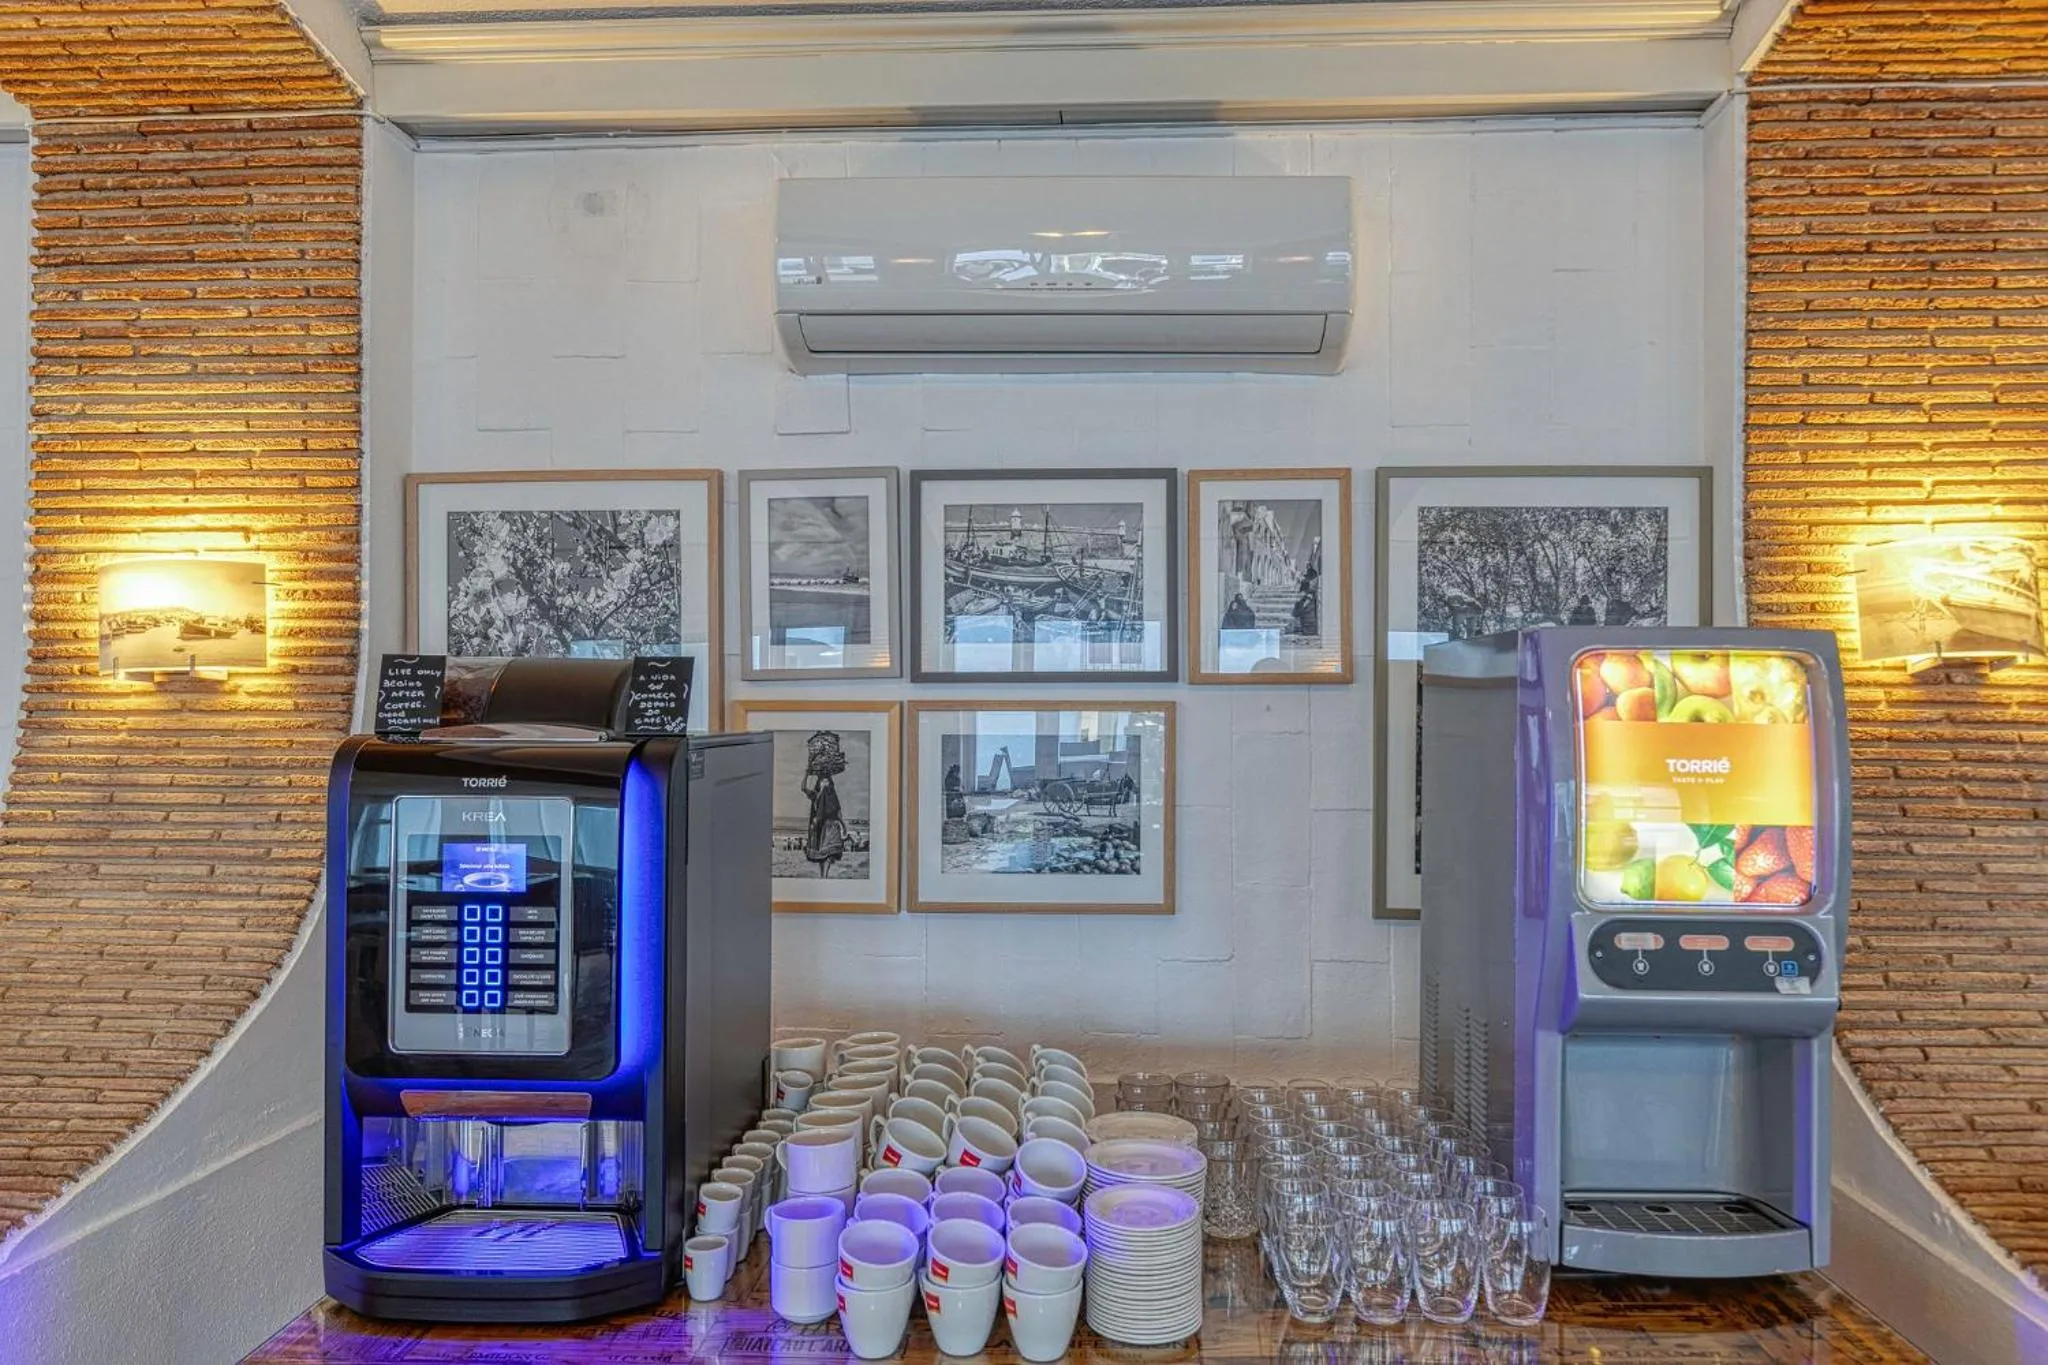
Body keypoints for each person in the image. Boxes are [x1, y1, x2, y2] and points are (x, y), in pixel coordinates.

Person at [802, 730, 848, 877]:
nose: (825, 782)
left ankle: (825, 876)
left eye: (826, 780)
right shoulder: (816, 795)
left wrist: (844, 826)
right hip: (821, 826)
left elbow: (837, 809)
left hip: (829, 824)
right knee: (822, 854)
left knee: (828, 853)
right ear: (819, 782)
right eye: (823, 780)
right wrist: (807, 773)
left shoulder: (830, 793)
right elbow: (803, 788)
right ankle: (824, 876)